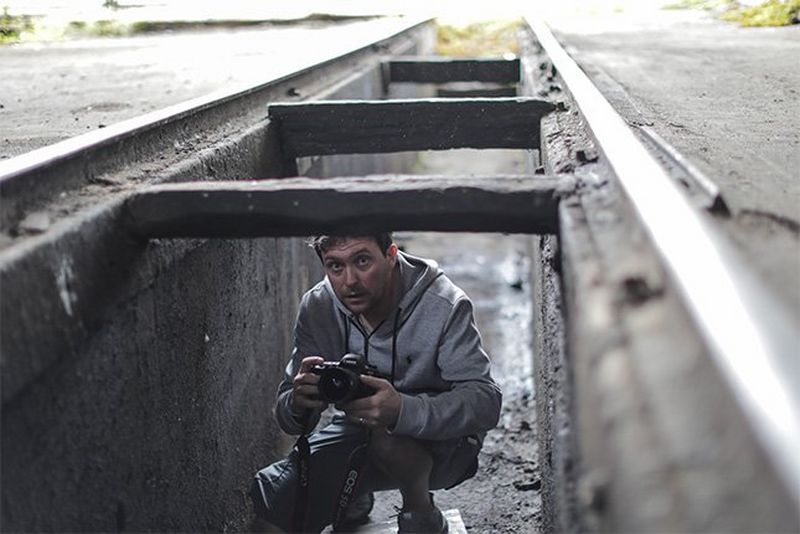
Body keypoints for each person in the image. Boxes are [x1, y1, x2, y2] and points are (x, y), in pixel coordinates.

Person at [252, 232, 502, 533]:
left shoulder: (443, 304)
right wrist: (297, 402)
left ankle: (421, 511)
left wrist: (402, 410)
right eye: (335, 266)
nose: (350, 281)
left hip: (446, 444)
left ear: (391, 254)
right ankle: (352, 493)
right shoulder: (318, 306)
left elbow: (486, 403)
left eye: (362, 260)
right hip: (360, 431)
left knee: (388, 439)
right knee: (273, 515)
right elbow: (286, 418)